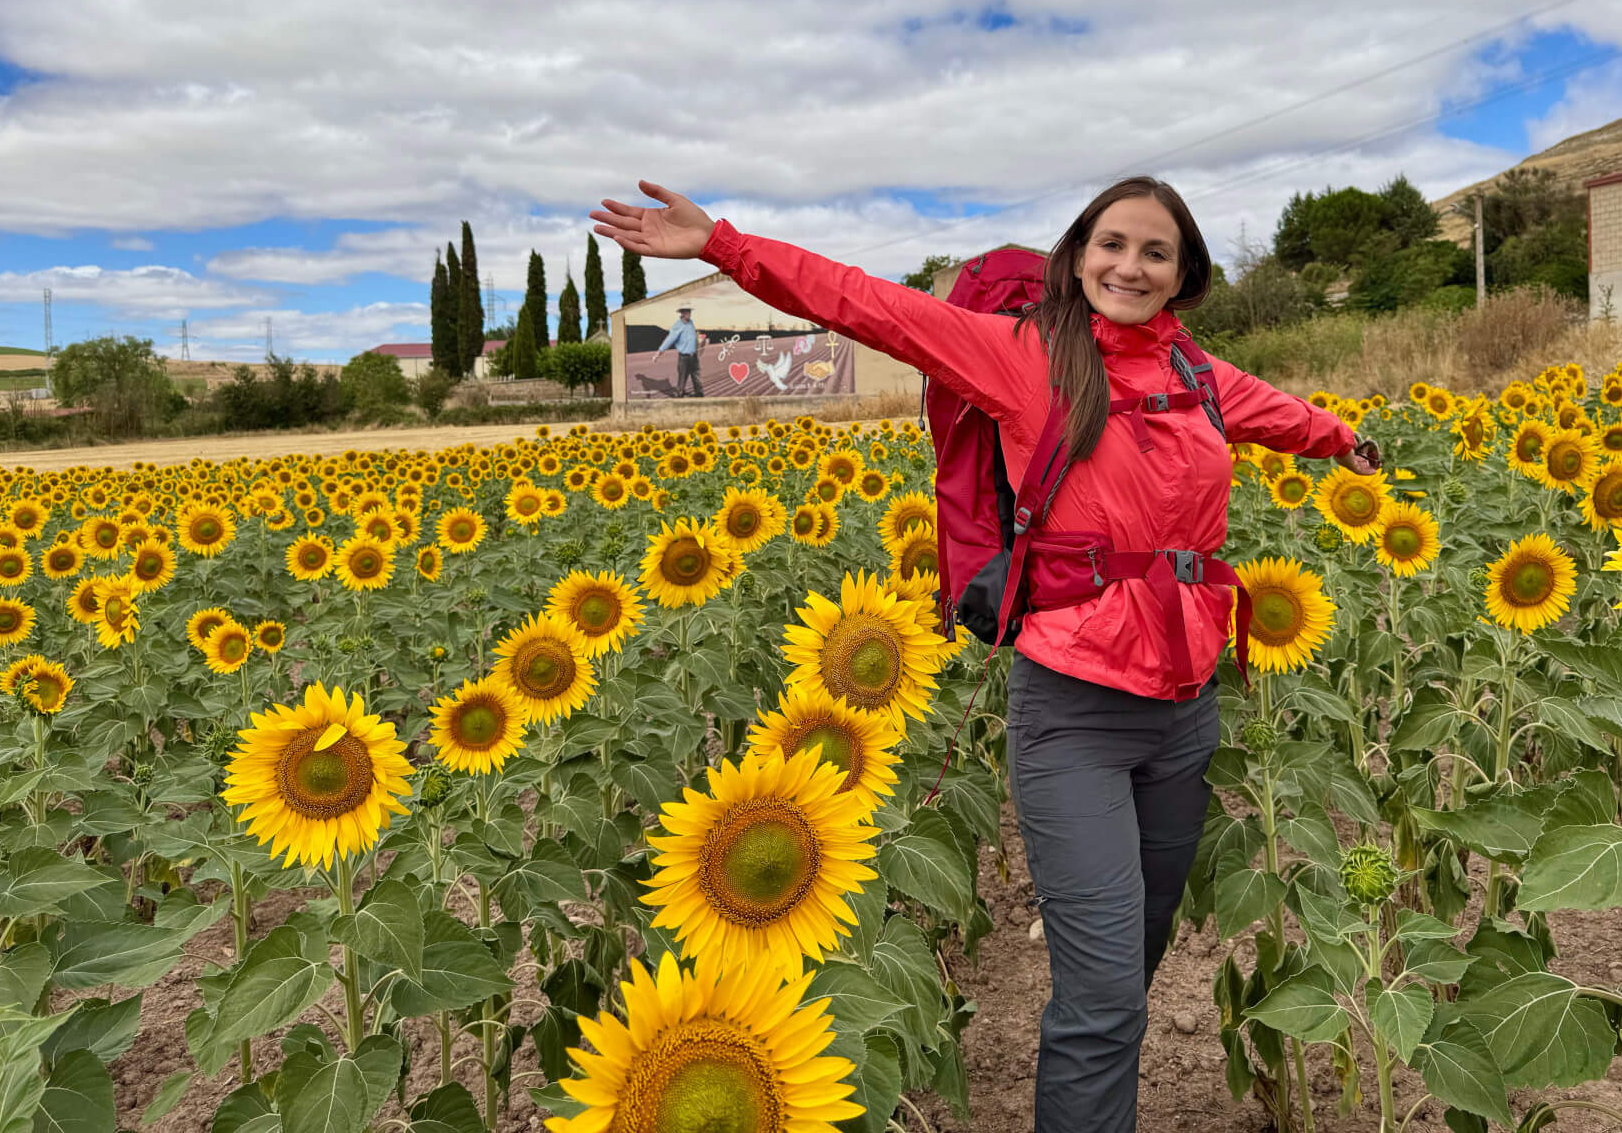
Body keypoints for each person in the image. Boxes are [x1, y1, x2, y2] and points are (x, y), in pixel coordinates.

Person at [590, 176, 1380, 1133]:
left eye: (1155, 252)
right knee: (1101, 1001)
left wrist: (1344, 440)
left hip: (1185, 709)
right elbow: (865, 304)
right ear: (1079, 255)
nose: (1129, 266)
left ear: (1184, 275)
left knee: (1134, 964)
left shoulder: (1199, 375)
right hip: (1075, 711)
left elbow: (1278, 414)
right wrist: (722, 244)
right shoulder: (1021, 357)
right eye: (1112, 244)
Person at [654, 304, 703, 397]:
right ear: (682, 313)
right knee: (682, 379)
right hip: (684, 358)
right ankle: (679, 395)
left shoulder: (691, 322)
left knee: (697, 378)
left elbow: (692, 337)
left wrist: (699, 341)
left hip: (694, 356)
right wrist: (658, 353)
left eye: (690, 311)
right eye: (687, 311)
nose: (689, 313)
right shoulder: (677, 326)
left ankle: (700, 395)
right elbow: (669, 340)